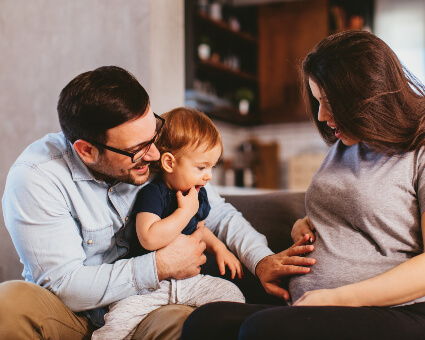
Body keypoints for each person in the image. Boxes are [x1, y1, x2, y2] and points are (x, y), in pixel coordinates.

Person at [0, 66, 314, 340]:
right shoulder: (36, 178)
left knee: (192, 323)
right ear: (86, 151)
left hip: (149, 304)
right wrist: (159, 265)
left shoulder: (153, 150)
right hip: (71, 313)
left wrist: (261, 260)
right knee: (9, 305)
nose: (153, 155)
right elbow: (65, 284)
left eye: (155, 133)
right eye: (138, 149)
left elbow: (217, 212)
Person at [181, 30, 425, 340]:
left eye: (329, 102)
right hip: (313, 304)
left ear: (367, 95)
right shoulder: (348, 143)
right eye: (318, 100)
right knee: (205, 322)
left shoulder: (419, 148)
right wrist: (306, 225)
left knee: (264, 331)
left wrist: (336, 298)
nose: (322, 115)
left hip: (399, 309)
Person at [92, 107, 245, 340]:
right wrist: (184, 212)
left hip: (190, 282)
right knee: (117, 325)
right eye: (202, 167)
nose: (209, 176)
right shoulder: (154, 194)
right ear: (169, 163)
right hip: (147, 289)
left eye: (212, 167)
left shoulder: (198, 195)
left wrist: (220, 248)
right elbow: (149, 237)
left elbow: (200, 231)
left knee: (232, 296)